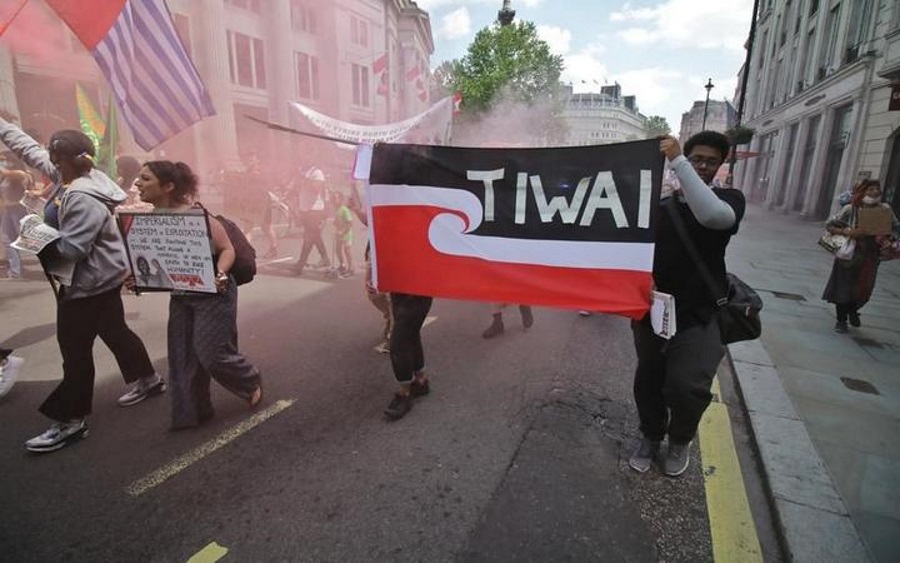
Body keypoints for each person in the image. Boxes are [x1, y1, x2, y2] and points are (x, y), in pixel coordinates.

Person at [0, 124, 165, 453]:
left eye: (54, 158)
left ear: (64, 160)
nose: (48, 163)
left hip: (86, 286)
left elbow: (72, 251)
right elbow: (29, 150)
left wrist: (33, 225)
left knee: (74, 354)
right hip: (100, 280)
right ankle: (149, 380)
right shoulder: (74, 176)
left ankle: (70, 421)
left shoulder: (81, 197)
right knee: (116, 332)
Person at [630, 131, 745, 477]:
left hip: (700, 314)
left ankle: (680, 438)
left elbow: (714, 218)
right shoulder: (660, 207)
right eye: (697, 159)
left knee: (687, 385)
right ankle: (650, 435)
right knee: (649, 379)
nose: (703, 166)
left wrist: (679, 161)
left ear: (720, 166)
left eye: (711, 161)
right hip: (654, 311)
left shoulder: (729, 200)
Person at [133, 160, 262, 430]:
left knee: (211, 353)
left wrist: (221, 273)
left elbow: (227, 249)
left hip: (214, 294)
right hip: (182, 295)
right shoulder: (148, 221)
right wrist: (137, 277)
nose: (137, 184)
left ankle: (249, 380)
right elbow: (157, 263)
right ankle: (193, 412)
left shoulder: (198, 216)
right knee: (182, 356)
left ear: (168, 186)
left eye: (145, 179)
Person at [822, 179, 900, 333]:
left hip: (870, 257)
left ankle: (853, 309)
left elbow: (895, 227)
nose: (874, 192)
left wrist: (889, 239)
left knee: (864, 290)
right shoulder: (851, 209)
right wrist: (847, 232)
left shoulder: (885, 209)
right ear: (862, 191)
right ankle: (841, 320)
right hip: (849, 256)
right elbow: (829, 225)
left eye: (877, 189)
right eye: (870, 189)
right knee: (843, 288)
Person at [383, 292, 433, 420]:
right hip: (398, 286)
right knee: (411, 332)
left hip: (419, 285)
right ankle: (421, 381)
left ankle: (405, 392)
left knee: (399, 342)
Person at [292, 163, 331, 275]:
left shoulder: (317, 172)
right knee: (315, 236)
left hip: (315, 210)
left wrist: (303, 178)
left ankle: (301, 263)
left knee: (309, 237)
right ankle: (325, 258)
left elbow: (316, 189)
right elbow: (298, 189)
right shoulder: (302, 171)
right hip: (304, 209)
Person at [0, 153, 31, 280]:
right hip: (8, 209)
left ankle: (55, 265)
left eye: (4, 159)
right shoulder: (4, 178)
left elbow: (9, 173)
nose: (3, 161)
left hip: (19, 209)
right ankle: (15, 272)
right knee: (8, 239)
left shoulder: (19, 173)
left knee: (28, 240)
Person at [331, 191, 355, 278]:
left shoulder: (344, 209)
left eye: (336, 198)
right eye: (333, 199)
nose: (334, 200)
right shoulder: (337, 209)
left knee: (347, 250)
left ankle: (351, 268)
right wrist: (335, 223)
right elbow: (338, 220)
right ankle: (342, 265)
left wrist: (342, 231)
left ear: (341, 199)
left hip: (346, 234)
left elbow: (350, 222)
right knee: (338, 250)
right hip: (339, 233)